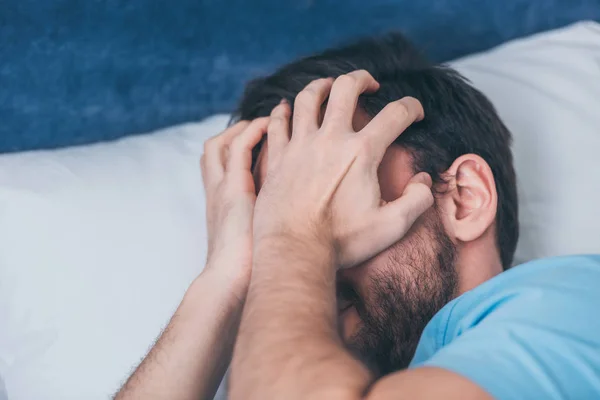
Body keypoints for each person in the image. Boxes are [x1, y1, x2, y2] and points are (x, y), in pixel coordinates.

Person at [115, 35, 600, 400]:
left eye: (333, 194)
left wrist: (294, 234)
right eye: (267, 215)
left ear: (463, 198)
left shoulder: (573, 302)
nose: (309, 263)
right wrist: (223, 280)